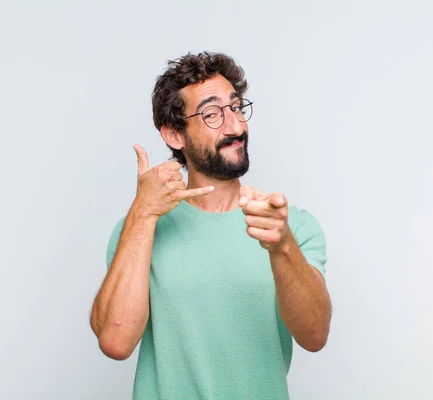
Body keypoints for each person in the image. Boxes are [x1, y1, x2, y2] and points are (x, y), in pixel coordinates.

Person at [90, 52, 332, 400]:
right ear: (175, 135)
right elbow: (115, 341)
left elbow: (315, 336)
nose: (235, 126)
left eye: (236, 108)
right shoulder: (140, 227)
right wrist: (142, 216)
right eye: (212, 114)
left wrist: (282, 247)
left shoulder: (290, 226)